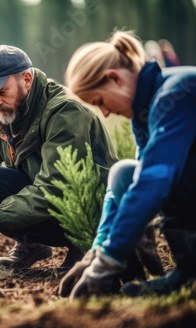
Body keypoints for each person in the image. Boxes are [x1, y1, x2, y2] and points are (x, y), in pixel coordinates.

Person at [0, 44, 119, 272]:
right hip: (50, 204)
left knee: (49, 193)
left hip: (92, 213)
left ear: (27, 79)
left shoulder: (64, 112)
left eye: (2, 91)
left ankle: (86, 248)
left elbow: (53, 189)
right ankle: (32, 245)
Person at [60, 31, 196, 300]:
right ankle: (189, 271)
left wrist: (109, 260)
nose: (106, 113)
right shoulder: (147, 111)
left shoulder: (177, 92)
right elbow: (133, 183)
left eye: (99, 102)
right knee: (123, 173)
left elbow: (155, 179)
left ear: (115, 78)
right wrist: (99, 250)